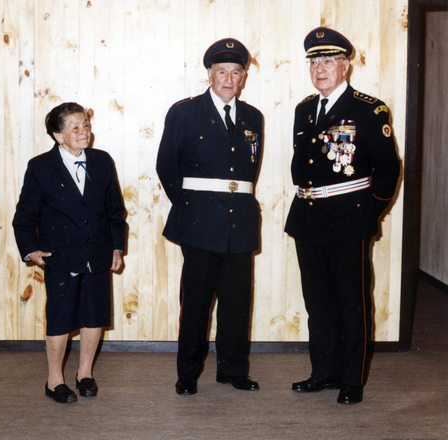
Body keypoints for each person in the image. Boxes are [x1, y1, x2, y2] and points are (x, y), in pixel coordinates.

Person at [285, 27, 400, 405]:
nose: (320, 68)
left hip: (349, 218)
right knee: (317, 302)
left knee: (352, 301)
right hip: (308, 215)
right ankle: (324, 371)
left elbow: (388, 170)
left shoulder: (370, 109)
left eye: (329, 60)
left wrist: (370, 211)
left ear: (345, 66)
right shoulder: (304, 109)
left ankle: (352, 379)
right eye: (314, 61)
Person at [157, 38, 263, 395]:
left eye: (236, 72)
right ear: (210, 74)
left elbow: (247, 172)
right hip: (200, 222)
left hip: (241, 222)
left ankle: (232, 369)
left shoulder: (253, 117)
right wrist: (192, 208)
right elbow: (166, 166)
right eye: (222, 71)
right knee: (197, 302)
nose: (229, 79)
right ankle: (187, 373)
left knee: (237, 301)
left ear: (243, 76)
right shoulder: (185, 112)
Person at [13, 102, 126, 404]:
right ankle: (54, 380)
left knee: (94, 317)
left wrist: (117, 246)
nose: (83, 132)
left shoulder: (102, 162)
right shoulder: (40, 167)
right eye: (74, 127)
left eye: (86, 125)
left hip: (98, 254)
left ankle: (85, 373)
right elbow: (24, 218)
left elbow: (115, 210)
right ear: (58, 136)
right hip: (61, 256)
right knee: (61, 319)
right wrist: (30, 250)